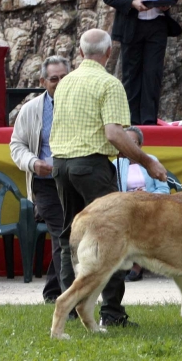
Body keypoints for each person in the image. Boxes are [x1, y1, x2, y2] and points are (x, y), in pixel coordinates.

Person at [49, 29, 167, 327]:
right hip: (92, 166)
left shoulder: (64, 84)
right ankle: (111, 313)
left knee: (68, 238)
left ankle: (71, 307)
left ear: (79, 53)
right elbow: (114, 134)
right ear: (109, 53)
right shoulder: (109, 83)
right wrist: (146, 160)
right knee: (113, 238)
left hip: (61, 165)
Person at [102, 0, 181, 125]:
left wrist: (166, 1)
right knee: (131, 75)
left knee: (153, 74)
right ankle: (131, 122)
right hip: (132, 26)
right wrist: (131, 3)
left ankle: (148, 122)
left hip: (157, 24)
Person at [10, 56, 70, 303]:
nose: (58, 82)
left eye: (64, 77)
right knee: (63, 235)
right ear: (43, 81)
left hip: (74, 180)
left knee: (66, 236)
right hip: (45, 183)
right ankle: (71, 298)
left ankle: (53, 292)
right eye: (53, 79)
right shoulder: (31, 109)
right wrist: (34, 163)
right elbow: (17, 145)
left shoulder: (82, 104)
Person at [113, 126, 169, 282]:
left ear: (140, 145)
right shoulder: (116, 163)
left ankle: (137, 265)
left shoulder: (151, 161)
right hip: (126, 205)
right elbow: (113, 192)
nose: (131, 146)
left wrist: (147, 196)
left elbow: (164, 189)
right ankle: (125, 263)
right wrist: (131, 197)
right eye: (127, 142)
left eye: (134, 143)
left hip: (150, 205)